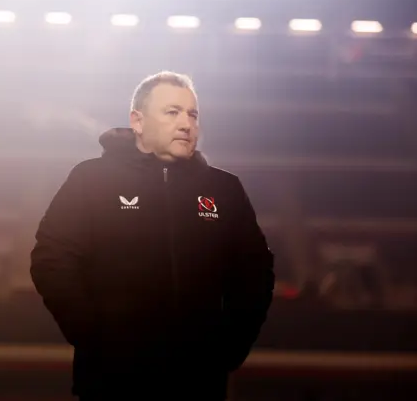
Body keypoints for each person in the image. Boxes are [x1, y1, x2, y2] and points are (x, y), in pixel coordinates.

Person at [31, 71, 275, 401]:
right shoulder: (91, 179)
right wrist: (94, 336)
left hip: (199, 385)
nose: (187, 124)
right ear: (138, 121)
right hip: (111, 384)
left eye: (193, 114)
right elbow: (51, 260)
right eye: (172, 112)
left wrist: (230, 347)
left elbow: (256, 273)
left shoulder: (224, 189)